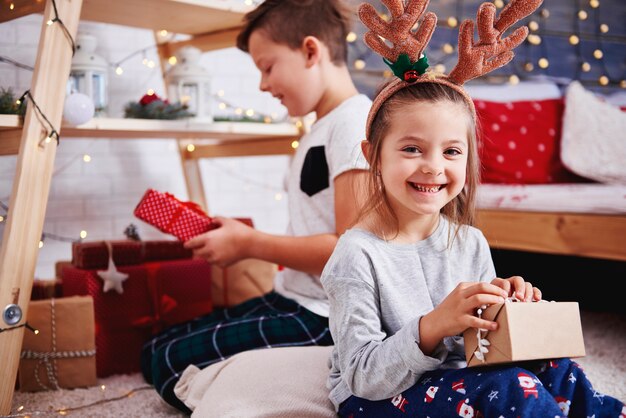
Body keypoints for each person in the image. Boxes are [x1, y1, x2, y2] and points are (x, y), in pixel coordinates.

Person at [320, 0, 626, 416]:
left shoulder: (469, 241)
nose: (433, 166)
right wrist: (433, 326)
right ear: (372, 155)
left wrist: (508, 308)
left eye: (452, 151)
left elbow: (482, 346)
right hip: (374, 395)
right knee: (510, 386)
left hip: (459, 376)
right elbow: (361, 375)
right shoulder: (356, 254)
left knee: (559, 369)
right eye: (411, 148)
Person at [140, 0, 372, 412]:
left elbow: (347, 252)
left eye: (268, 67)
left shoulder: (354, 125)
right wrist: (239, 236)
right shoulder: (323, 125)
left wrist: (249, 243)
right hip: (292, 297)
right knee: (155, 347)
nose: (264, 85)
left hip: (325, 318)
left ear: (311, 51)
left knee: (168, 365)